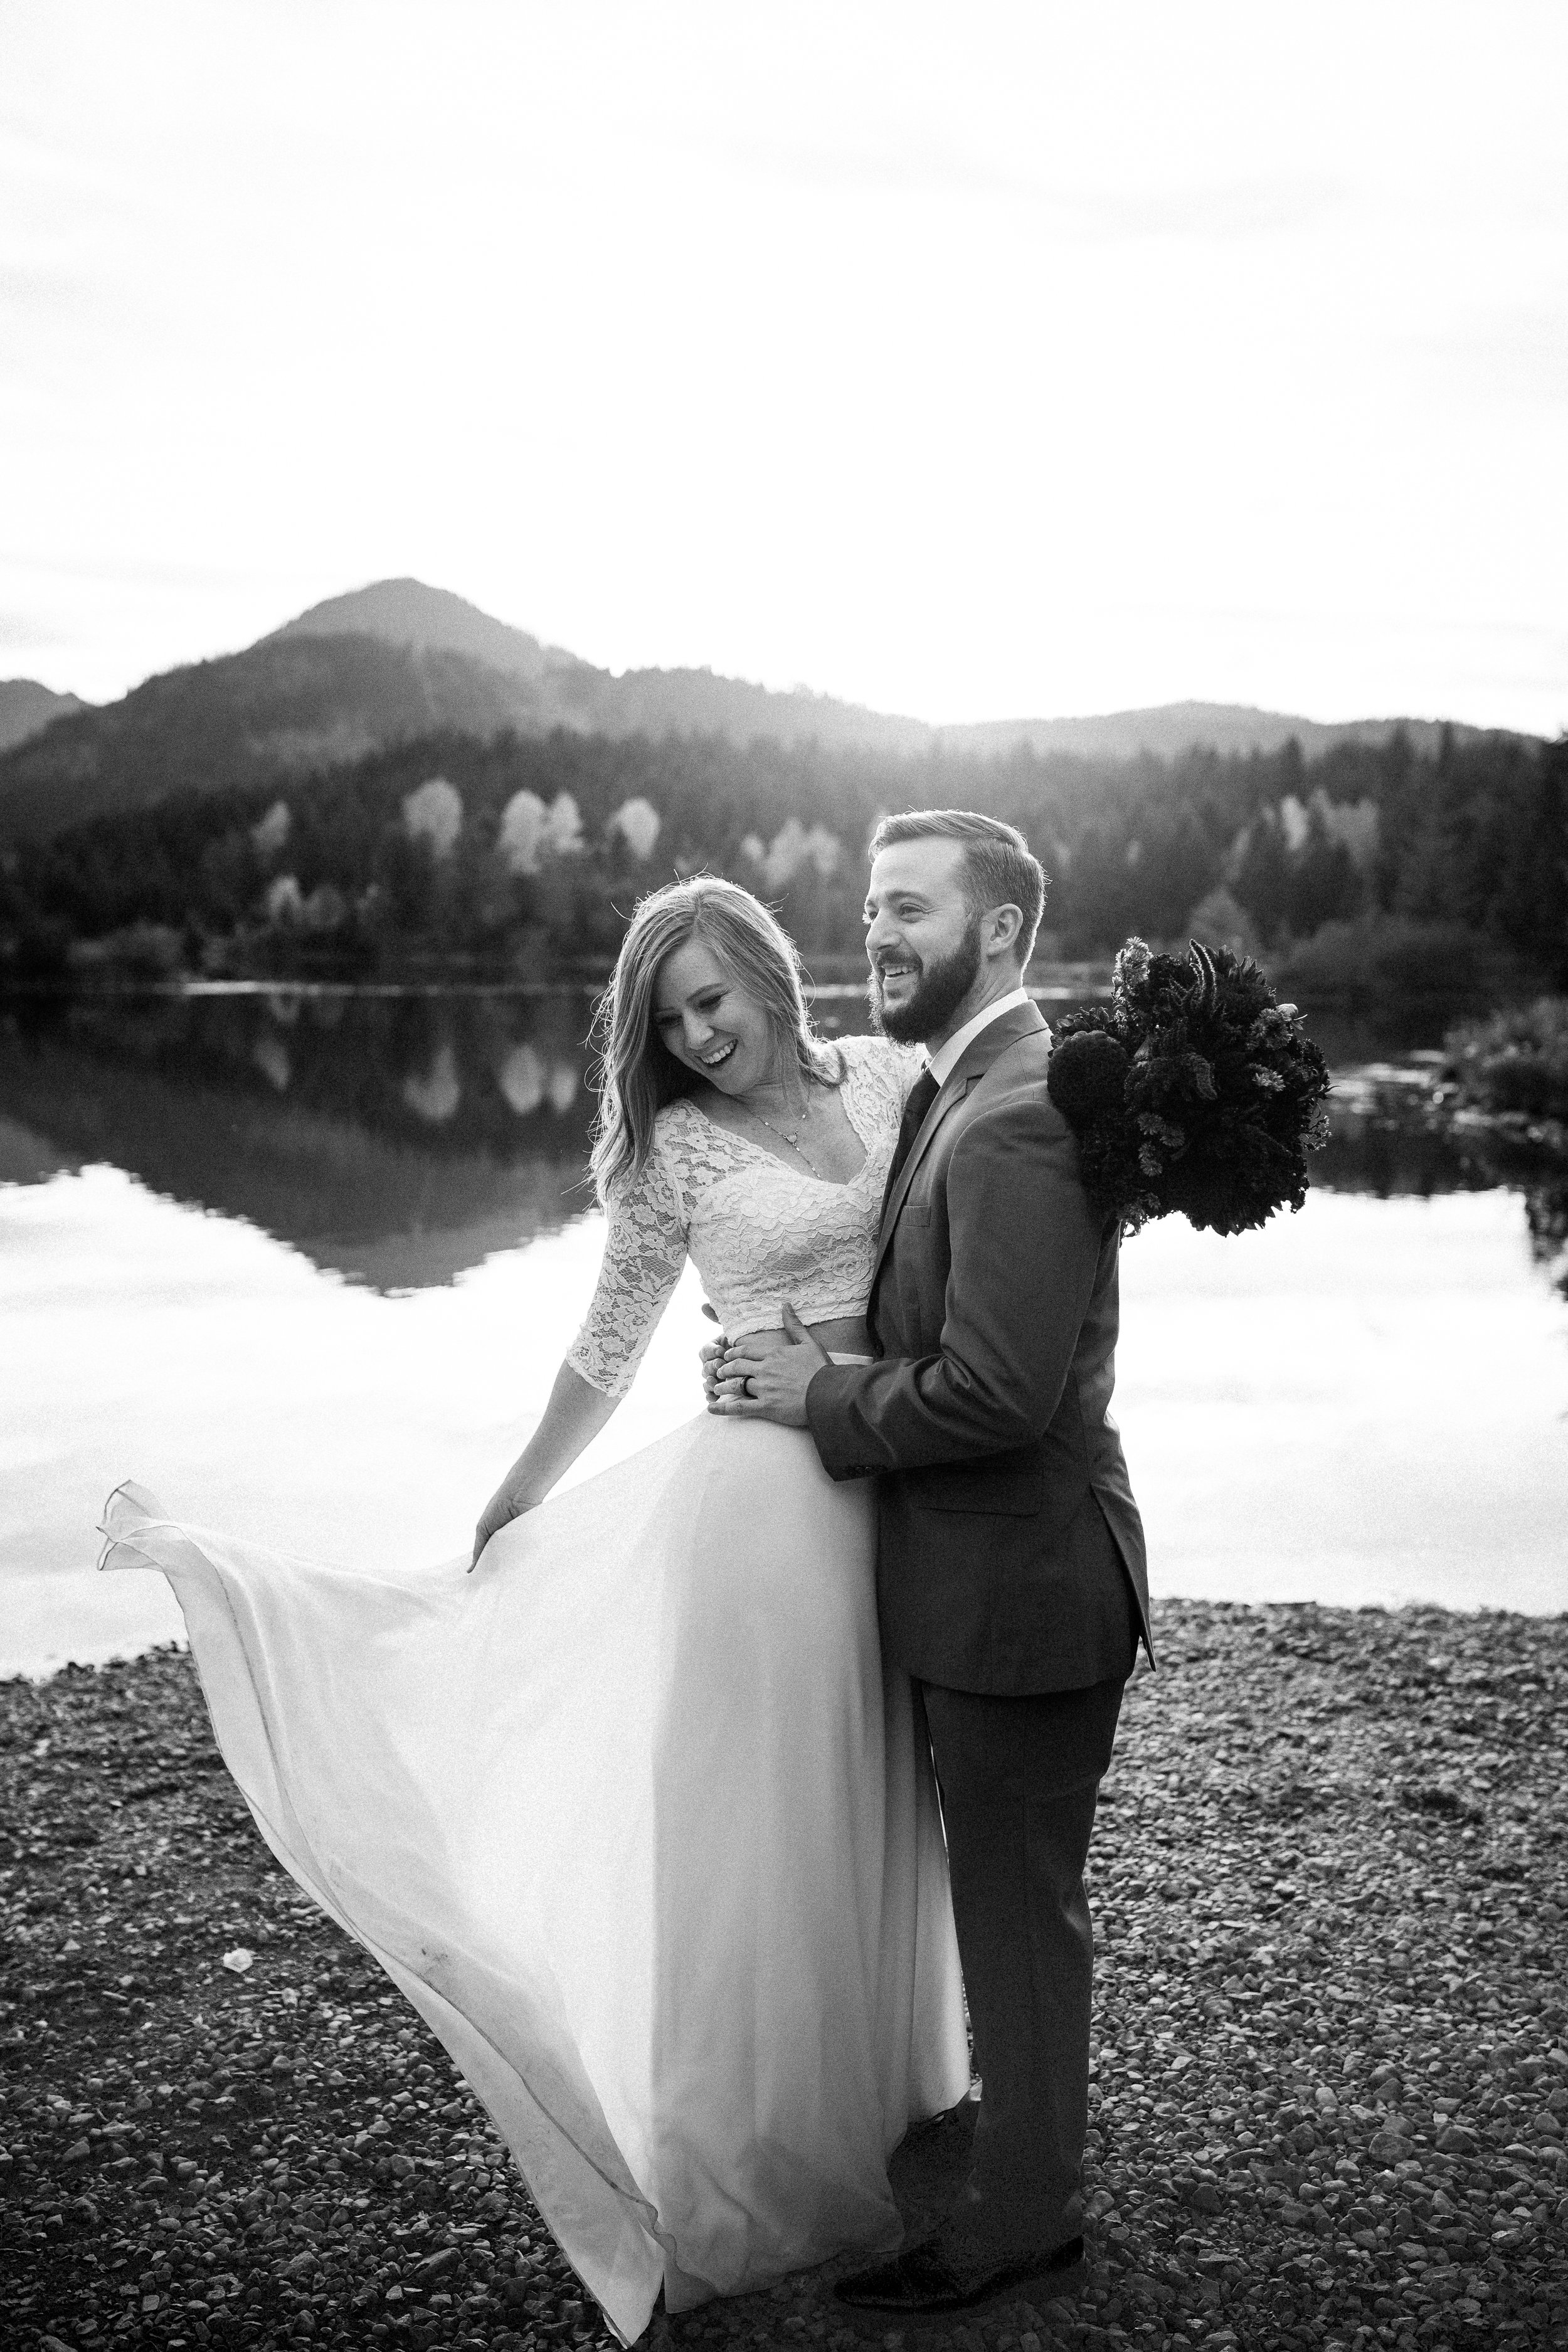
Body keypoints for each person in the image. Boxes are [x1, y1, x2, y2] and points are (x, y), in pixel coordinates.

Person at [99, 875, 970, 2348]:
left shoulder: (892, 1077)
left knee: (871, 1785)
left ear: (770, 972)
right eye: (667, 1019)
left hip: (893, 1472)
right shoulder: (676, 1156)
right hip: (762, 1509)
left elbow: (976, 1226)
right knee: (760, 1815)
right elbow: (610, 1345)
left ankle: (887, 2085)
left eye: (713, 1000)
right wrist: (518, 1493)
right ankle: (745, 2137)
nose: (695, 1036)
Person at [709, 809, 1154, 2323]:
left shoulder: (1018, 1107)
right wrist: (815, 1342)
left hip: (1025, 1586)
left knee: (1023, 1915)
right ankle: (1010, 2140)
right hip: (971, 1580)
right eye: (868, 906)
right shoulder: (956, 1090)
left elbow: (994, 1391)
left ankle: (1023, 2218)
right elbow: (926, 1321)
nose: (875, 934)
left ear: (1003, 932)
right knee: (996, 1899)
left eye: (907, 907)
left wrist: (814, 1399)